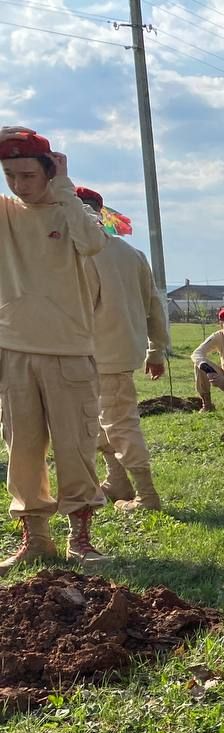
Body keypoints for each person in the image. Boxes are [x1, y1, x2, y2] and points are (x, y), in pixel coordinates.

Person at [0, 128, 109, 570]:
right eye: (9, 175)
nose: (18, 185)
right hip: (14, 349)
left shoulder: (73, 212)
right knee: (22, 448)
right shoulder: (5, 212)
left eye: (27, 174)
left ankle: (80, 538)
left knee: (75, 445)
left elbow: (94, 242)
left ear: (50, 171)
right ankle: (35, 538)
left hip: (68, 350)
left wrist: (64, 187)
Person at [76, 187, 169, 511]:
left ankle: (146, 495)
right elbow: (155, 305)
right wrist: (156, 350)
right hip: (109, 353)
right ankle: (117, 480)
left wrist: (156, 350)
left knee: (119, 423)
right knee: (94, 422)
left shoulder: (82, 254)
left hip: (100, 355)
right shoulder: (132, 253)